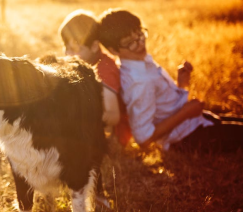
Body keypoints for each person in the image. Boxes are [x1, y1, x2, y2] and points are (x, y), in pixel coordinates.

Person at [96, 8, 243, 152]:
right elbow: (143, 138)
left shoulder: (141, 62)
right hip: (189, 137)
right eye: (130, 42)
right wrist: (185, 113)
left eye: (140, 34)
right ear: (114, 50)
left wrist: (182, 84)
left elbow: (165, 106)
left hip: (197, 121)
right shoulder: (138, 82)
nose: (140, 43)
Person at [59, 9, 132, 146]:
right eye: (66, 48)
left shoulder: (104, 70)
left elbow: (113, 116)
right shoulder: (82, 63)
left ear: (94, 46)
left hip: (113, 134)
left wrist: (85, 118)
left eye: (75, 50)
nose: (68, 54)